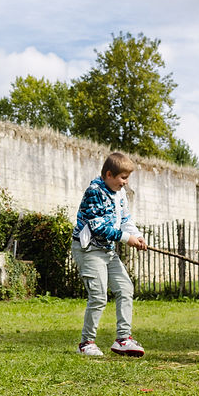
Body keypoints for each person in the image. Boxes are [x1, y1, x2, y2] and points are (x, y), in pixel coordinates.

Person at [70, 152, 147, 357]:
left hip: (107, 250)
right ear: (109, 174)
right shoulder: (94, 191)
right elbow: (97, 227)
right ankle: (86, 343)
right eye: (123, 177)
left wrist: (137, 236)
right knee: (98, 296)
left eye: (127, 178)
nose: (125, 182)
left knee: (125, 288)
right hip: (89, 249)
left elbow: (125, 220)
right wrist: (126, 238)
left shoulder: (119, 193)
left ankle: (123, 339)